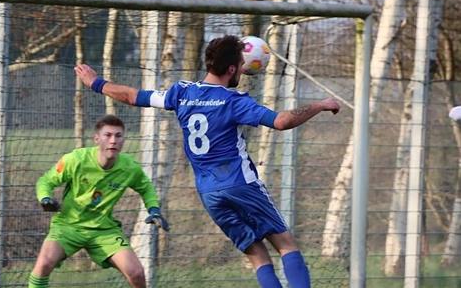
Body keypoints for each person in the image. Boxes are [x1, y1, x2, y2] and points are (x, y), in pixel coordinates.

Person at [75, 35, 340, 288]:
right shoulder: (234, 101)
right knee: (286, 245)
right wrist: (319, 105)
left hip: (210, 193)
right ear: (233, 68)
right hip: (240, 184)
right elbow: (282, 121)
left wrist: (96, 83)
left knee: (257, 255)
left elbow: (133, 96)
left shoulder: (182, 93)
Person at [28, 115, 169, 288]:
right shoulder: (76, 159)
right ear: (96, 138)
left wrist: (153, 209)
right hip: (68, 226)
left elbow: (146, 188)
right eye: (107, 135)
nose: (113, 141)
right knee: (43, 265)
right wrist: (45, 198)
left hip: (104, 230)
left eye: (118, 136)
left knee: (136, 273)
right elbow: (46, 181)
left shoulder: (129, 167)